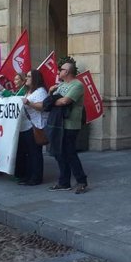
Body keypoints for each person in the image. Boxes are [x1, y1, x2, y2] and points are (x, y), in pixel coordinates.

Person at [48, 62, 88, 194]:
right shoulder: (62, 85)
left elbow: (65, 101)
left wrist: (53, 100)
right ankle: (64, 182)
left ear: (68, 72)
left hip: (70, 125)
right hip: (58, 124)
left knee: (70, 153)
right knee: (59, 154)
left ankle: (82, 181)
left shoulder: (77, 85)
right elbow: (52, 100)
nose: (59, 71)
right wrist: (51, 94)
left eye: (61, 69)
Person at [17, 70, 48, 186]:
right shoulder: (27, 91)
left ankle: (36, 177)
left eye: (29, 76)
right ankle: (27, 175)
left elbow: (42, 106)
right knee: (27, 152)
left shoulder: (40, 91)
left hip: (34, 125)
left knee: (34, 153)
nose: (26, 78)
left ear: (35, 78)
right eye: (26, 76)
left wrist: (29, 103)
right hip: (25, 126)